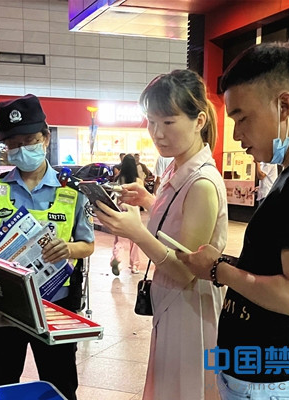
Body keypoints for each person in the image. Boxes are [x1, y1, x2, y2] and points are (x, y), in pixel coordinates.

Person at [177, 42, 289, 400]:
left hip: (270, 383)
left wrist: (218, 271)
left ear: (284, 105)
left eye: (242, 118)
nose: (237, 135)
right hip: (261, 377)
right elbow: (287, 279)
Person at [95, 69, 228, 400]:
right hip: (173, 304)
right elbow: (178, 228)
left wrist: (137, 233)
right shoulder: (177, 168)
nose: (157, 133)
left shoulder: (201, 182)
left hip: (191, 310)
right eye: (152, 122)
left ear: (199, 121)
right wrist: (148, 200)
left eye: (168, 122)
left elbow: (186, 269)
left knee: (185, 390)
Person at [0, 94, 95, 400]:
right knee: (0, 384)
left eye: (29, 140)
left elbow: (87, 244)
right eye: (13, 144)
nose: (22, 149)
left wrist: (68, 249)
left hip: (55, 304)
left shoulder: (71, 191)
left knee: (61, 386)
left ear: (45, 137)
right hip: (3, 308)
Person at [110, 154, 143, 275]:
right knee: (135, 238)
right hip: (133, 209)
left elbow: (114, 194)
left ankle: (117, 258)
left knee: (119, 238)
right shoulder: (138, 181)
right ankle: (135, 265)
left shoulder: (118, 178)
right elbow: (141, 196)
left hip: (120, 208)